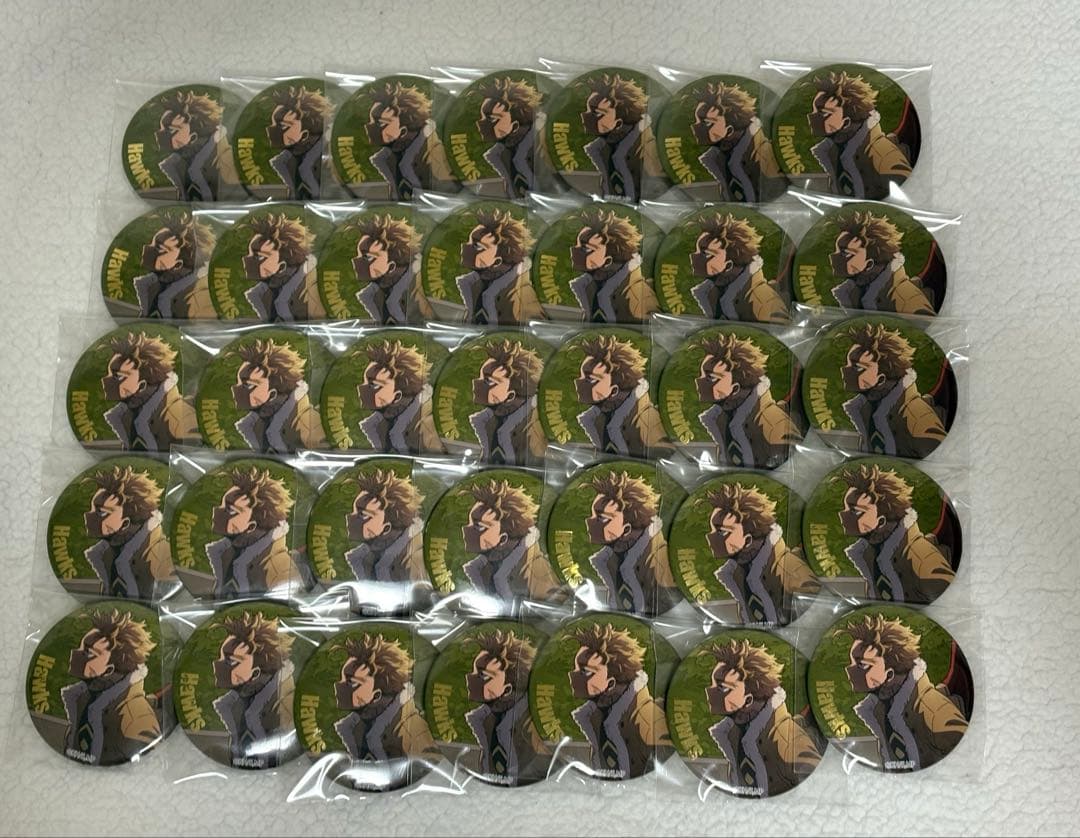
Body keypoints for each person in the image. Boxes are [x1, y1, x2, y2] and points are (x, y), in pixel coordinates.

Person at [62, 609, 161, 765]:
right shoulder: (82, 699)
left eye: (89, 653)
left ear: (109, 669)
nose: (76, 654)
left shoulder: (136, 718)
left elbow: (147, 768)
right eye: (80, 648)